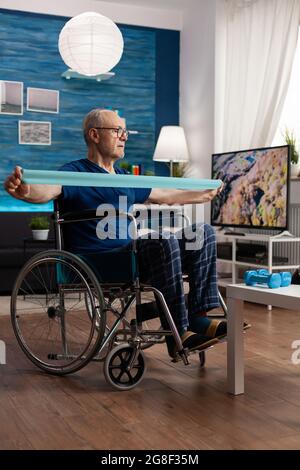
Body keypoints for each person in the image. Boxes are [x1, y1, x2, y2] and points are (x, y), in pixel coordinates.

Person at [4, 108, 234, 357]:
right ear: (94, 134)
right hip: (96, 263)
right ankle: (179, 333)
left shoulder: (126, 178)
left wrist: (204, 194)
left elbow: (167, 195)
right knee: (162, 239)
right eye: (117, 131)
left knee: (204, 233)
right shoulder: (74, 174)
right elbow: (46, 189)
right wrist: (25, 191)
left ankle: (198, 318)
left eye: (125, 132)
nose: (124, 136)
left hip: (130, 257)